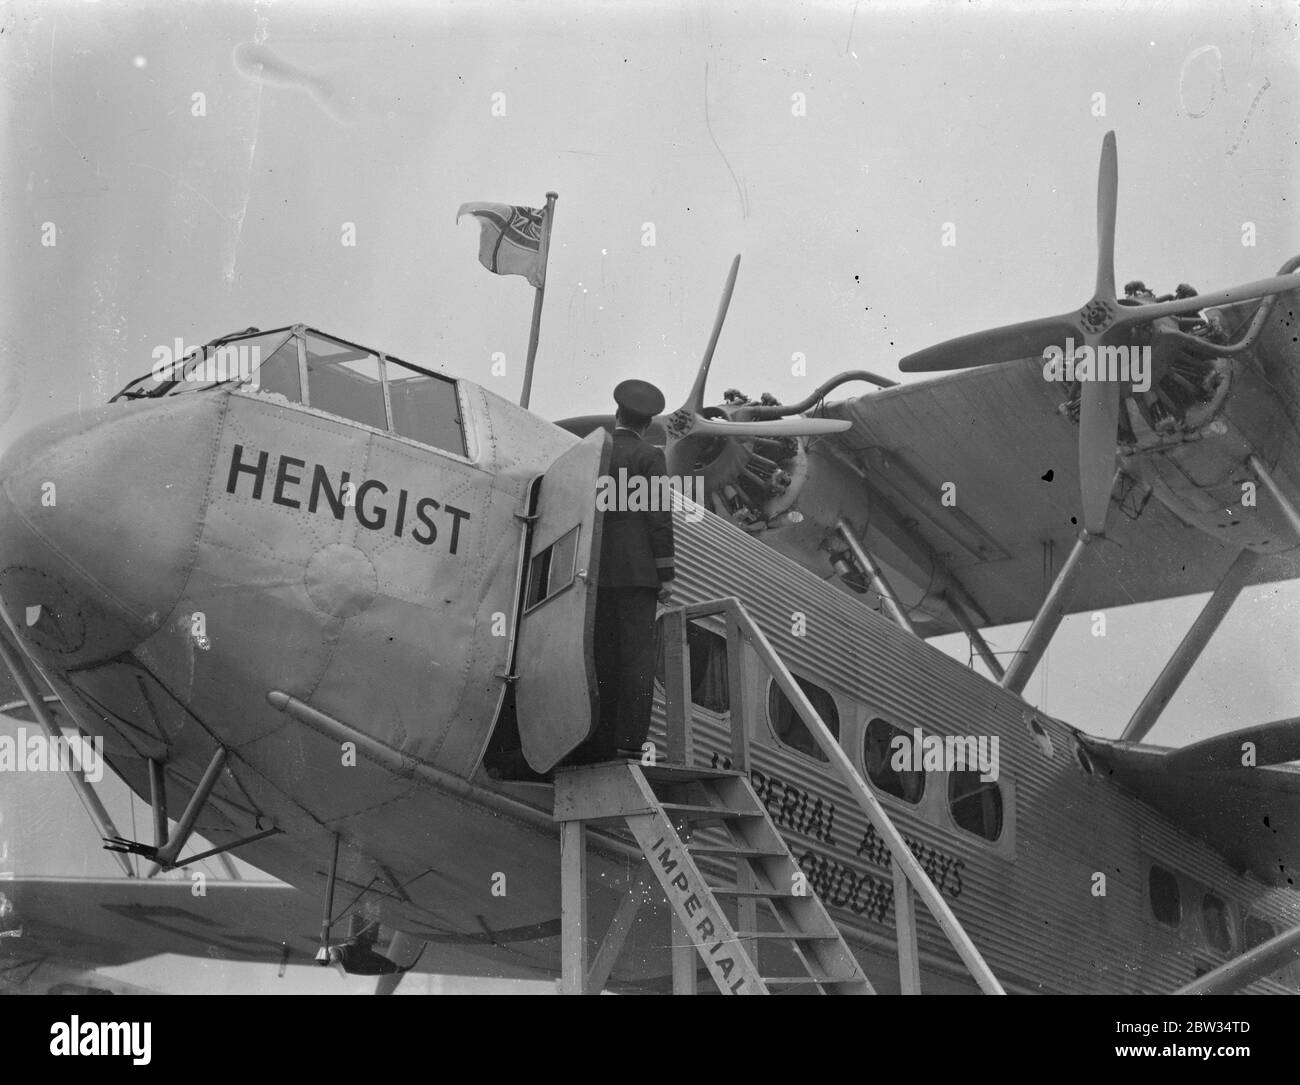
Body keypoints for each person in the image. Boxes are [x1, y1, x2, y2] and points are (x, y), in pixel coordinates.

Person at [577, 379, 675, 762]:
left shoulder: (594, 453)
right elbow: (658, 518)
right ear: (647, 423)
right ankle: (629, 742)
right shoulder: (649, 457)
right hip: (637, 575)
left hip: (596, 571)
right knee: (635, 659)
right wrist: (665, 572)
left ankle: (595, 738)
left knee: (600, 655)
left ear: (617, 413)